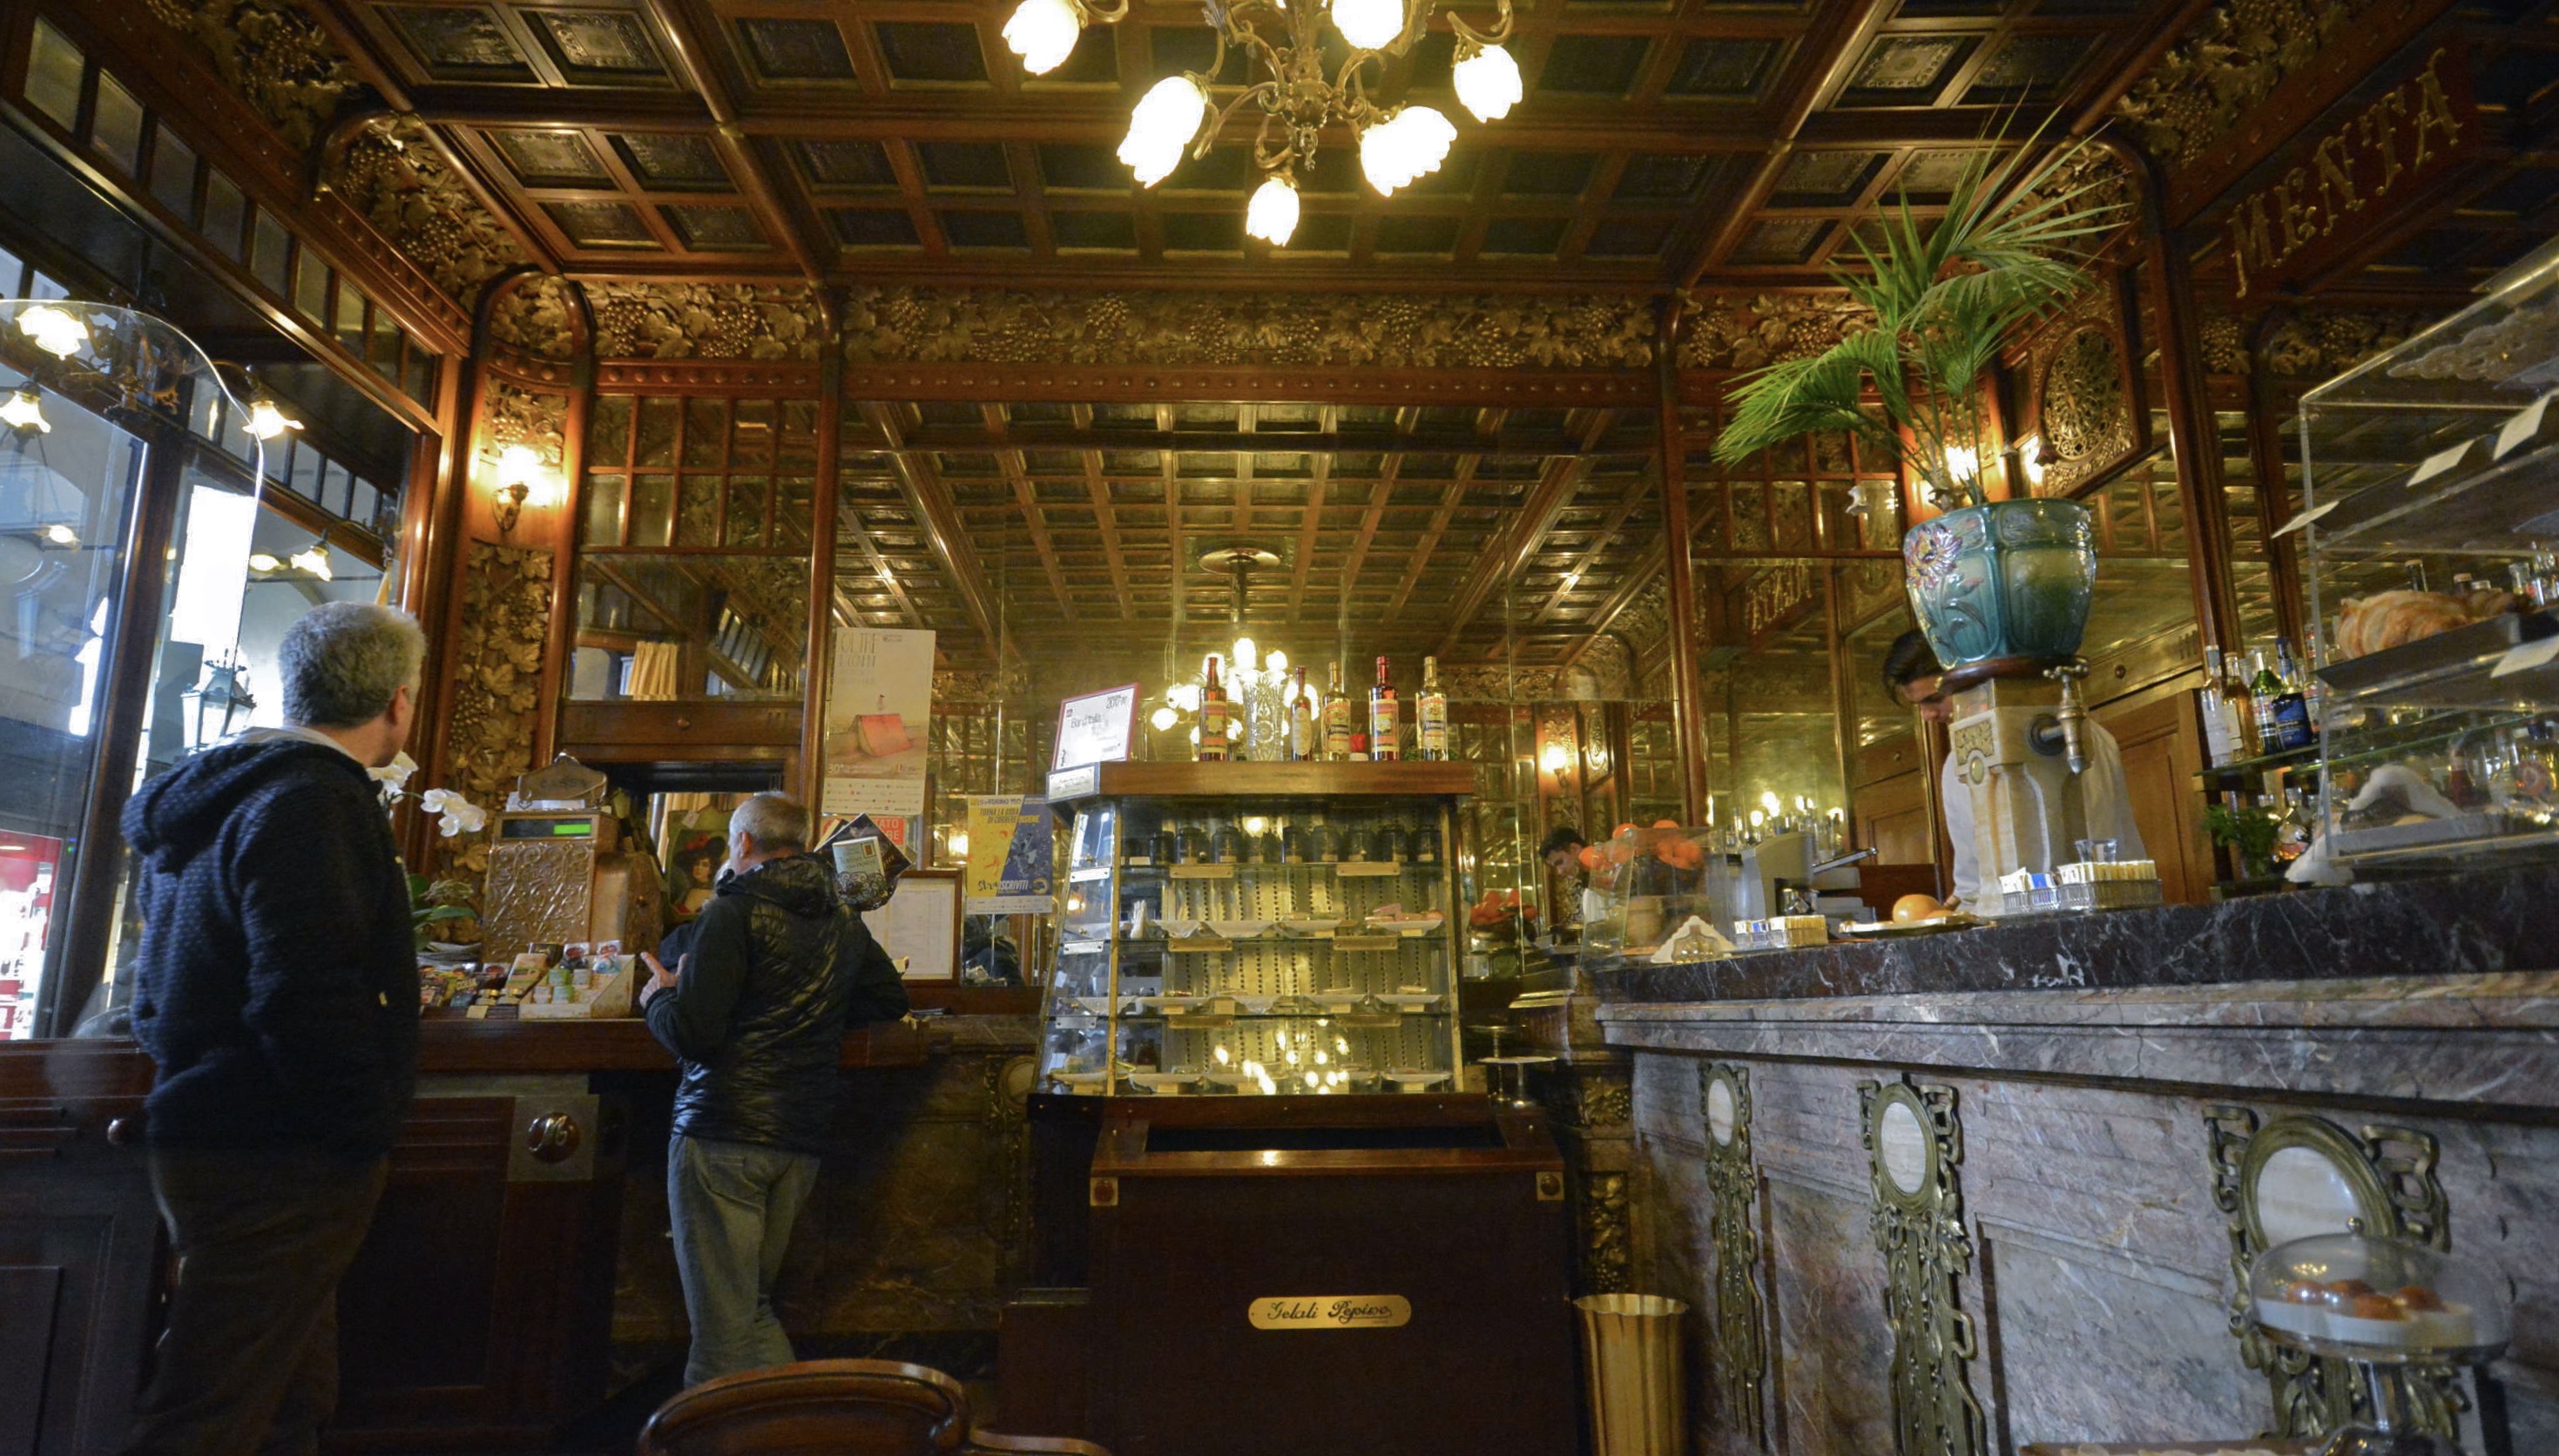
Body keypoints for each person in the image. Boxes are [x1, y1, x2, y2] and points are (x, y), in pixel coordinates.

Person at [118, 603, 426, 1456]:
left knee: (290, 1392)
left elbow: (155, 995)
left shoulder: (218, 792)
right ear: (397, 703)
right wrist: (360, 1122)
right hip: (276, 1146)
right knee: (209, 1408)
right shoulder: (311, 803)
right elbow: (303, 989)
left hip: (212, 1124)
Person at [639, 792, 908, 1387]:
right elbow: (890, 999)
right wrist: (810, 1005)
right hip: (799, 1136)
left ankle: (710, 1437)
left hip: (722, 1132)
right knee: (750, 1311)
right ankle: (797, 1430)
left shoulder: (730, 912)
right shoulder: (842, 915)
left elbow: (695, 1034)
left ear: (742, 843)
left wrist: (659, 996)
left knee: (720, 1330)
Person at [1882, 628, 2145, 909]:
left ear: (1974, 677)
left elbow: (2120, 837)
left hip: (2097, 904)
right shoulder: (1956, 765)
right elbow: (1972, 882)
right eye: (1918, 706)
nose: (1927, 716)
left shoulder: (2084, 736)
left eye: (1933, 700)